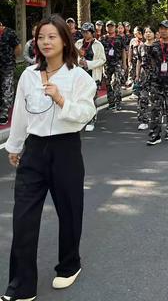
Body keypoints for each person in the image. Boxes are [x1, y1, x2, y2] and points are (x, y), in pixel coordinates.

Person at [3, 15, 96, 301]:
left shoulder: (78, 76)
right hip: (34, 151)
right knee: (23, 217)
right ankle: (21, 286)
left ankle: (69, 265)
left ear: (64, 41)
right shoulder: (29, 75)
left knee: (69, 211)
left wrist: (61, 100)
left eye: (52, 37)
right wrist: (15, 146)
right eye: (41, 37)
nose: (45, 42)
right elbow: (20, 113)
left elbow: (86, 114)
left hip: (65, 150)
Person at [75, 22, 106, 132]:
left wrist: (89, 64)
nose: (85, 34)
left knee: (91, 98)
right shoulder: (78, 43)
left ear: (92, 33)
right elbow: (73, 57)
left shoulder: (98, 44)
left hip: (92, 74)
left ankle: (92, 119)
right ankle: (82, 117)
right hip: (80, 74)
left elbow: (103, 59)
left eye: (87, 32)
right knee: (80, 97)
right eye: (83, 32)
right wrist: (79, 62)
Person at [100, 21, 126, 111]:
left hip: (117, 63)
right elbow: (100, 52)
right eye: (108, 26)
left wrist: (124, 64)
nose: (110, 28)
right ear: (106, 28)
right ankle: (111, 103)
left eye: (112, 26)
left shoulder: (120, 38)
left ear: (115, 27)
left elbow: (123, 51)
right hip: (106, 64)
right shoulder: (102, 38)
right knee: (108, 83)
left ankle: (118, 103)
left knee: (116, 82)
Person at [0, 21, 21, 125]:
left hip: (7, 65)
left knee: (7, 87)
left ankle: (4, 113)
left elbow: (18, 48)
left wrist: (12, 59)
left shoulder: (9, 33)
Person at [135, 26, 155, 131]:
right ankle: (143, 121)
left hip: (156, 76)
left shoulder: (158, 46)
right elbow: (138, 61)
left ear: (155, 34)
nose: (148, 34)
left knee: (156, 98)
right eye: (146, 32)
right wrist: (137, 75)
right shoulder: (140, 47)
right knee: (143, 98)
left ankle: (156, 119)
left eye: (150, 32)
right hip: (144, 76)